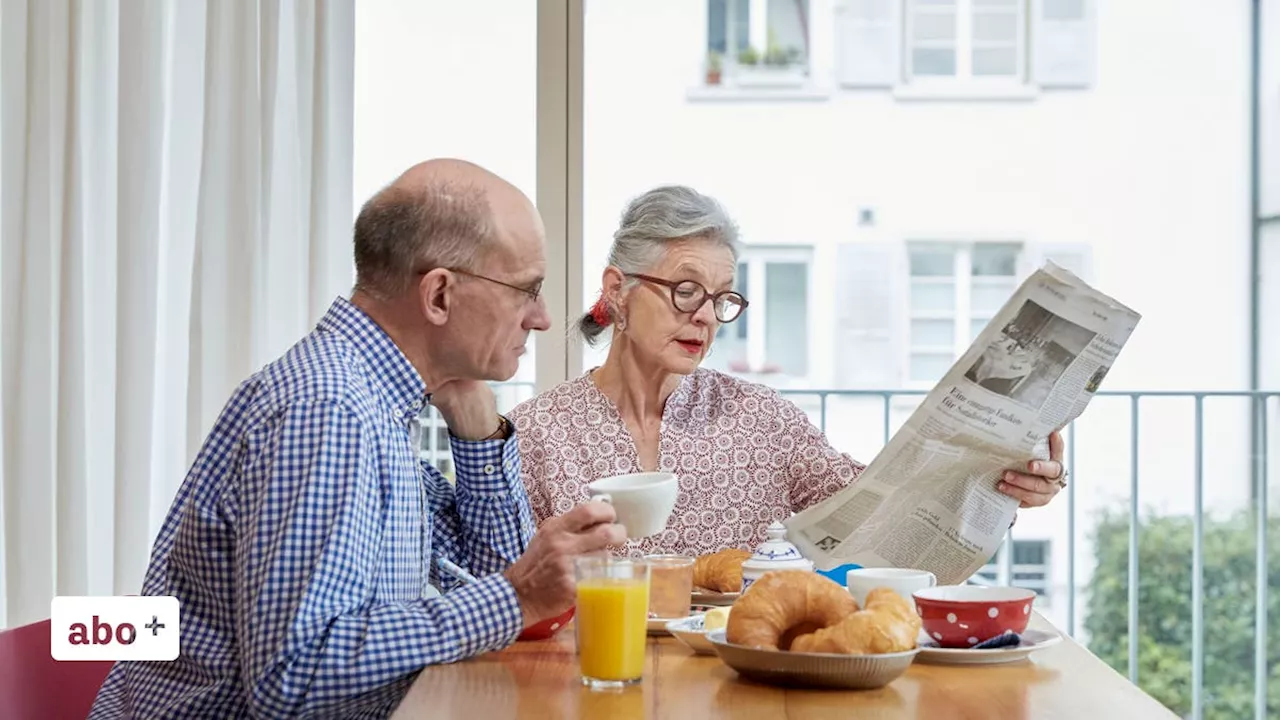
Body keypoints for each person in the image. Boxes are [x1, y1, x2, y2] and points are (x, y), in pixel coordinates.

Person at [89, 159, 626, 718]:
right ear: (439, 295)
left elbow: (500, 581)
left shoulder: (377, 402)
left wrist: (478, 433)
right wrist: (515, 596)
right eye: (527, 290)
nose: (540, 319)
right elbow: (289, 681)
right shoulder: (330, 412)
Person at [509, 185, 1066, 558]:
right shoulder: (533, 434)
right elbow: (508, 597)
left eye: (721, 298)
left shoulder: (765, 421)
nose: (704, 315)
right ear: (618, 290)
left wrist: (996, 477)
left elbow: (879, 512)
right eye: (685, 290)